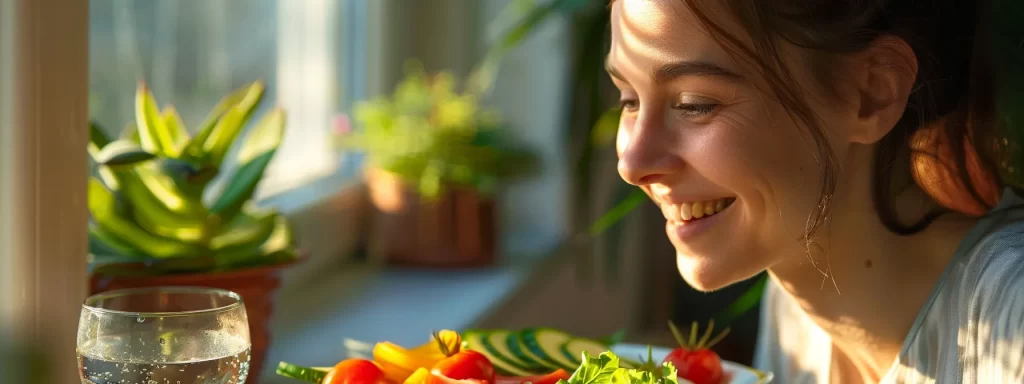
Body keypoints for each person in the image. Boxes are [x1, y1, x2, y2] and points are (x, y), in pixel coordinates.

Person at [605, 0, 1024, 382]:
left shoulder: (1013, 321)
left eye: (694, 103)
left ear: (872, 92)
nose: (632, 164)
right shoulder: (799, 302)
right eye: (629, 100)